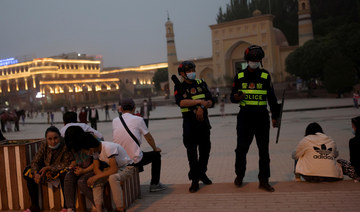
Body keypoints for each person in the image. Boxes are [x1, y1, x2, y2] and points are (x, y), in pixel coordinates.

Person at [230, 45, 280, 192]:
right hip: (245, 118)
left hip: (262, 118)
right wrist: (237, 97)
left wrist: (275, 117)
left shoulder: (265, 76)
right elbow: (232, 97)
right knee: (241, 150)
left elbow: (272, 98)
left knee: (264, 151)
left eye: (258, 59)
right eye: (252, 59)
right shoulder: (239, 76)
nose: (255, 61)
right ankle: (239, 176)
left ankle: (264, 180)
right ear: (247, 60)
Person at [66, 126, 132, 212]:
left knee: (113, 178)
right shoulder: (95, 152)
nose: (85, 153)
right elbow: (96, 169)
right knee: (96, 182)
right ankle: (99, 209)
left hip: (126, 167)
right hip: (112, 168)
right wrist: (97, 178)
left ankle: (120, 208)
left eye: (85, 151)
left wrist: (96, 176)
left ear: (90, 149)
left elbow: (114, 169)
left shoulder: (108, 148)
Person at [174, 61, 214, 193]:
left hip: (203, 122)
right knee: (192, 154)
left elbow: (210, 101)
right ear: (182, 74)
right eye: (188, 70)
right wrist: (198, 102)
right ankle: (195, 180)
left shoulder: (201, 83)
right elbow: (182, 102)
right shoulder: (179, 87)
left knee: (205, 151)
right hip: (189, 124)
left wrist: (202, 107)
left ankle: (201, 173)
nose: (192, 72)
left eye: (192, 69)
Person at [112, 98, 167, 192]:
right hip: (134, 160)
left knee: (137, 152)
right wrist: (155, 148)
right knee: (156, 155)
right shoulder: (138, 119)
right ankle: (155, 184)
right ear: (134, 108)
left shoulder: (115, 121)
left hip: (119, 160)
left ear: (120, 109)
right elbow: (148, 137)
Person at [23, 126, 74, 212]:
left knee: (65, 173)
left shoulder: (65, 145)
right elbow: (35, 161)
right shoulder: (44, 144)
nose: (53, 142)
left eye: (55, 138)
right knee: (28, 172)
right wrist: (36, 173)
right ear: (46, 139)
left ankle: (66, 206)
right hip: (45, 170)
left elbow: (67, 163)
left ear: (60, 137)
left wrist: (49, 167)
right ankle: (34, 205)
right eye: (50, 139)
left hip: (58, 169)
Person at [60, 111, 104, 211]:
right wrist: (73, 164)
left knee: (81, 181)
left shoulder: (90, 142)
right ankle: (70, 207)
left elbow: (96, 163)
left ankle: (98, 206)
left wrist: (84, 171)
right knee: (68, 177)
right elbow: (73, 159)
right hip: (80, 167)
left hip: (93, 168)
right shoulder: (71, 143)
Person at [337, 116, 360, 181]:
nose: (352, 128)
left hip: (358, 173)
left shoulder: (353, 141)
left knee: (339, 161)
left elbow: (353, 161)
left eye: (353, 126)